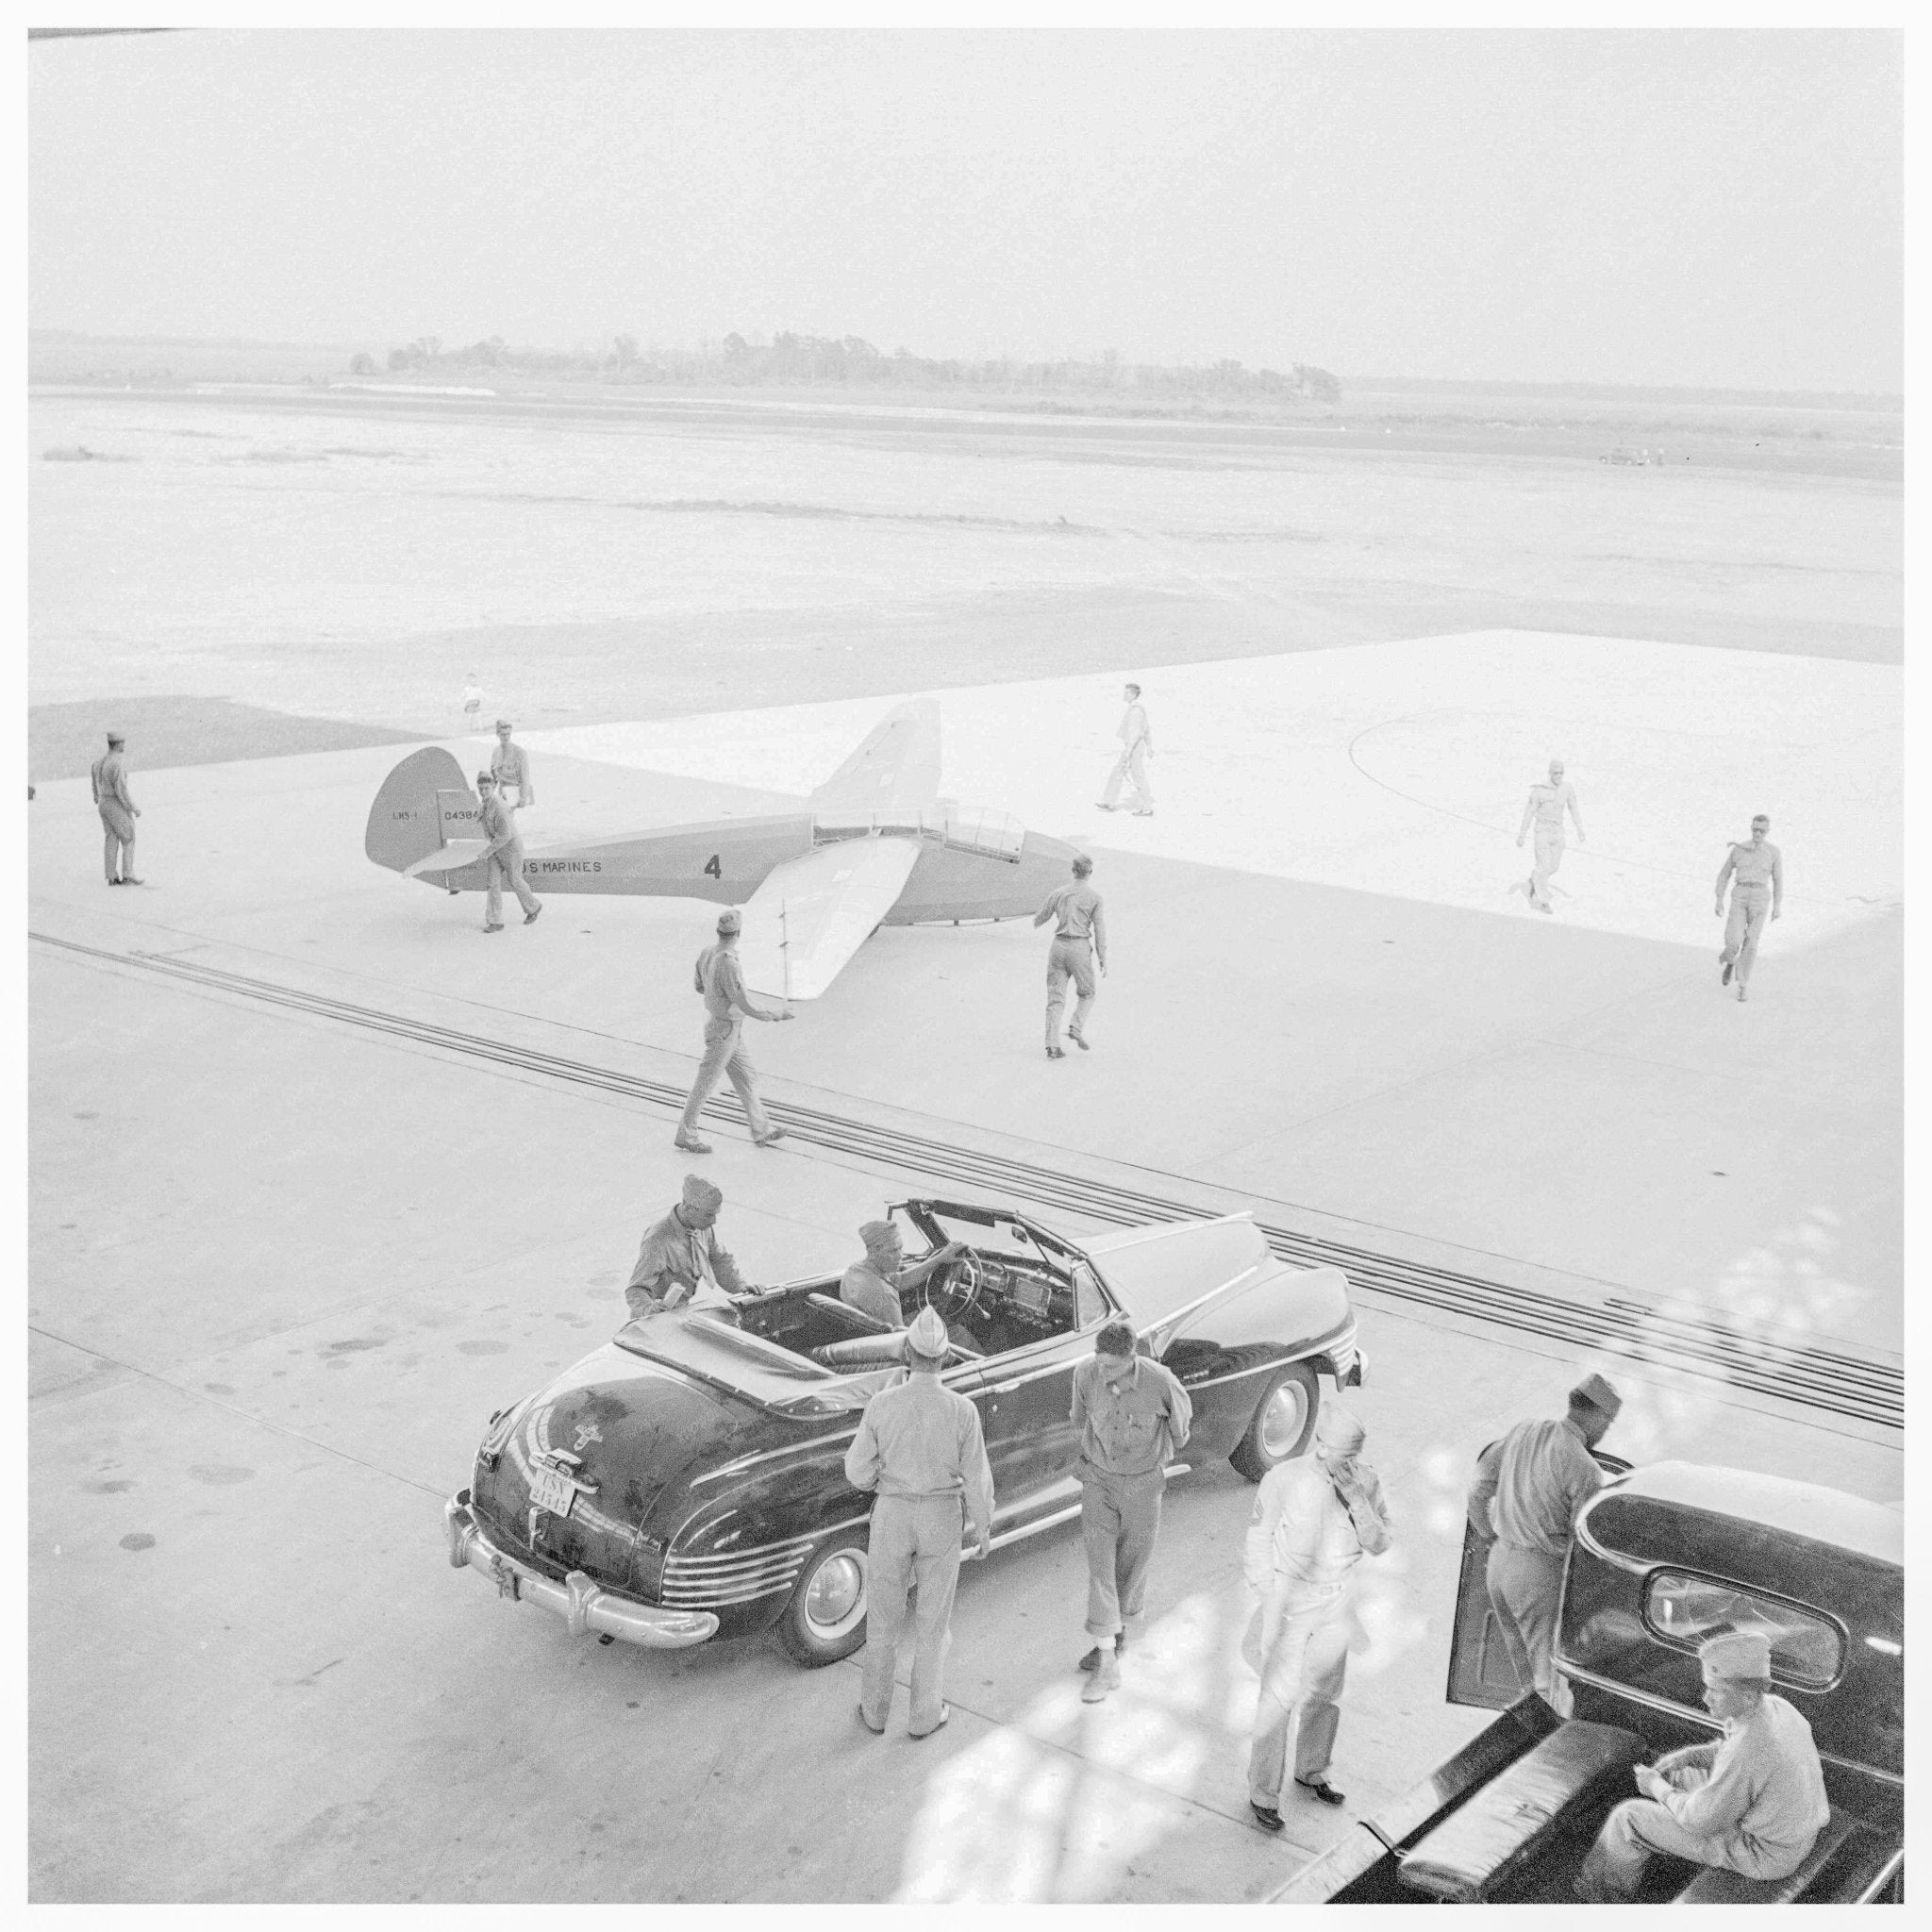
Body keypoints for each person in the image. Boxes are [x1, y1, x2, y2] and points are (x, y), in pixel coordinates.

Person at [1575, 1631, 1830, 1903]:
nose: (1706, 1698)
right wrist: (1689, 1756)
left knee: (1627, 1819)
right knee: (1680, 1773)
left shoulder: (1746, 1750)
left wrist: (1656, 1787)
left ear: (1747, 1696)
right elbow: (1739, 1757)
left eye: (1716, 1691)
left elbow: (1700, 1821)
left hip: (1765, 1854)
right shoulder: (1776, 1708)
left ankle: (1598, 1896)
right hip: (1795, 1835)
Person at [844, 1305, 996, 1740]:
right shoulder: (963, 1410)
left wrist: (883, 1481)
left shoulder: (881, 1404)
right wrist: (982, 1527)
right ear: (946, 1358)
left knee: (883, 1621)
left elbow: (857, 1471)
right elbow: (976, 1476)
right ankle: (924, 1716)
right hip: (940, 1517)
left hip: (892, 1513)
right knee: (932, 1624)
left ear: (906, 1354)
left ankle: (874, 1712)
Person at [1245, 1403, 1393, 1829]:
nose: (1352, 1465)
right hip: (1291, 1598)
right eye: (1345, 1455)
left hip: (1338, 1600)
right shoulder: (1284, 1479)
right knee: (1277, 1700)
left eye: (1356, 1455)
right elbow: (1258, 1539)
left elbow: (1381, 1543)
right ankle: (1263, 1794)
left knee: (1325, 1694)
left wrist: (1359, 1502)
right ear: (1321, 1446)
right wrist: (1268, 1595)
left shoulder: (1366, 1481)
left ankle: (1312, 1770)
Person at [1467, 1372, 1622, 1717]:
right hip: (1538, 1575)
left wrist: (1486, 1534)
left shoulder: (1524, 1431)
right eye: (1608, 1424)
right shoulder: (1585, 1468)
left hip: (1499, 1564)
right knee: (1548, 1678)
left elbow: (1479, 1485)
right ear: (1598, 1416)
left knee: (1523, 1677)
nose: (1604, 1432)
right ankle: (1545, 1749)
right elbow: (1583, 1545)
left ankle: (1524, 1734)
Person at [1070, 1319, 1192, 1703]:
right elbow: (1078, 1418)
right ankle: (1108, 1664)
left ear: (1132, 1359)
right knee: (1101, 1569)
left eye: (1111, 1366)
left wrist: (1152, 1460)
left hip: (1143, 1484)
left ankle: (1114, 1637)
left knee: (1132, 1566)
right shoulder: (1085, 1374)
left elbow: (1181, 1431)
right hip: (1099, 1481)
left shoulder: (1162, 1381)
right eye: (1099, 1361)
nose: (1102, 1371)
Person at [675, 908, 793, 1153]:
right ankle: (686, 1134)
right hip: (724, 1032)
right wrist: (777, 1015)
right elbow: (745, 1003)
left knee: (746, 1078)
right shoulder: (729, 963)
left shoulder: (707, 953)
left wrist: (716, 996)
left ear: (719, 931)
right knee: (705, 1084)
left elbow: (699, 986)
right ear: (738, 932)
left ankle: (761, 1130)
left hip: (726, 1029)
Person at [625, 1174, 759, 1319]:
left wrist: (741, 1287)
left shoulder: (701, 1227)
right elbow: (636, 1288)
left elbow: (719, 1261)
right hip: (654, 1319)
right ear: (689, 1209)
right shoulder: (658, 1240)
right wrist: (648, 1309)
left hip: (681, 1310)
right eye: (708, 1215)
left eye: (715, 1214)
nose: (714, 1221)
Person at [1034, 853, 1108, 1060]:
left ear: (1073, 871)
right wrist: (1102, 957)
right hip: (1079, 948)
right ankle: (1076, 1025)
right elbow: (1100, 929)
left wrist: (1035, 922)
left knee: (1055, 998)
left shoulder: (1059, 892)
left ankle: (1052, 1045)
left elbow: (1041, 916)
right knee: (1087, 993)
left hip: (1058, 946)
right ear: (1090, 873)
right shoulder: (1095, 898)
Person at [841, 1220, 966, 1330]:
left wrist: (939, 1259)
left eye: (901, 1249)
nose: (900, 1256)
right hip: (888, 1344)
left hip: (866, 1332)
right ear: (873, 1251)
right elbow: (901, 1340)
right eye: (893, 1250)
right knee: (959, 1332)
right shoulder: (884, 1294)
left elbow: (901, 1280)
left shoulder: (857, 1270)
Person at [1715, 815, 1783, 1003]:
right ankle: (1730, 961)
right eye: (1755, 829)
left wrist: (1777, 905)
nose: (1758, 833)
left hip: (1761, 896)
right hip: (1741, 893)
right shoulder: (1739, 849)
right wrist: (1719, 898)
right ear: (1751, 828)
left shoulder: (1773, 852)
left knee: (1752, 943)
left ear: (1767, 831)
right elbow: (1724, 874)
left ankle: (1743, 986)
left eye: (1762, 830)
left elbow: (1778, 880)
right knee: (1734, 939)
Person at [1516, 758, 1585, 913]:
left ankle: (1535, 879)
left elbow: (1573, 808)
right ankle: (1543, 900)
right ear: (1550, 774)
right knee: (1543, 865)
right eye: (1556, 773)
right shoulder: (1539, 790)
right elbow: (1529, 812)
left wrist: (1579, 828)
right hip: (1542, 830)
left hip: (1558, 830)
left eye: (1561, 773)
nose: (1559, 776)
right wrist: (1522, 833)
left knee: (1553, 866)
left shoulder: (1567, 788)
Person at [475, 771, 541, 932]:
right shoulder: (485, 804)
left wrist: (485, 852)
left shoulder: (499, 806)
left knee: (515, 880)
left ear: (493, 787)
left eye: (486, 788)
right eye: (481, 789)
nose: (483, 792)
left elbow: (505, 835)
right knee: (492, 884)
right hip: (496, 850)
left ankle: (533, 907)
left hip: (511, 849)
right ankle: (495, 921)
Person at [90, 732, 142, 886]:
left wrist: (96, 796)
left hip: (103, 803)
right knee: (128, 838)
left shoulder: (98, 762)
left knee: (111, 839)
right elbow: (121, 789)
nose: (124, 746)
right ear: (118, 744)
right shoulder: (117, 763)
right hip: (114, 803)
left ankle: (111, 877)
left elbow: (94, 782)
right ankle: (128, 875)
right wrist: (133, 807)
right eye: (123, 743)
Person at [1098, 682, 1155, 816]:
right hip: (1133, 746)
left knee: (1137, 775)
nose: (1125, 695)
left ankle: (1147, 807)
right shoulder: (1135, 709)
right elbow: (1146, 730)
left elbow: (1136, 733)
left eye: (1127, 693)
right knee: (1117, 772)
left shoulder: (1136, 711)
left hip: (1134, 747)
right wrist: (1149, 746)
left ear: (1134, 694)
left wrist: (1129, 751)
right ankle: (1108, 801)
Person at [489, 719, 535, 809]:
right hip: (502, 790)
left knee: (508, 817)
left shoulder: (519, 752)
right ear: (498, 734)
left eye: (508, 734)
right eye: (503, 734)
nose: (506, 737)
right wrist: (489, 794)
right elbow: (493, 776)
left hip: (516, 790)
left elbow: (524, 776)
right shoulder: (496, 751)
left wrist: (523, 797)